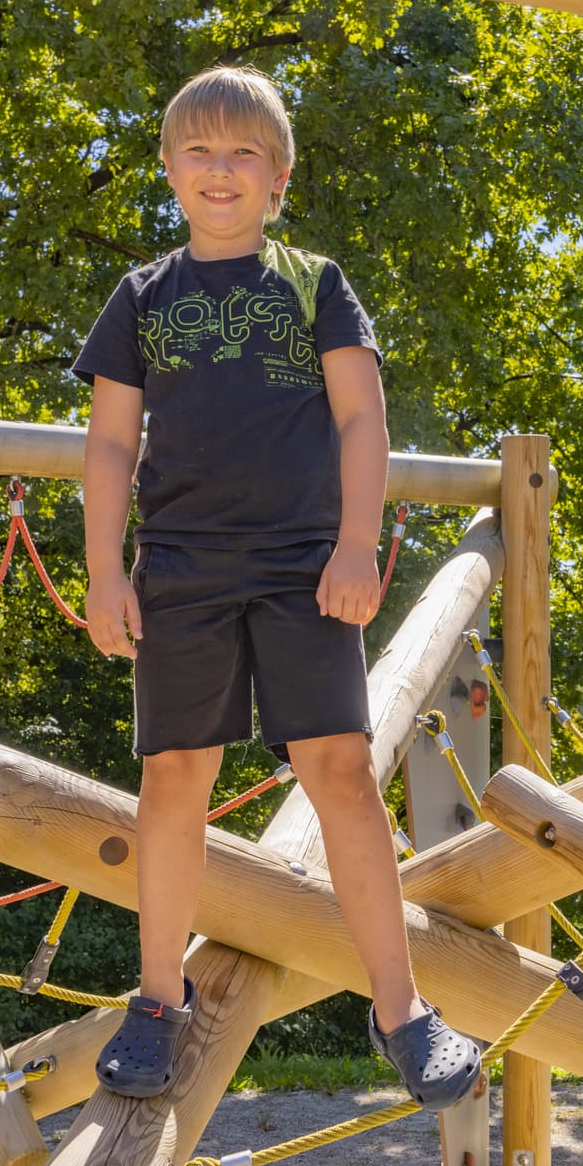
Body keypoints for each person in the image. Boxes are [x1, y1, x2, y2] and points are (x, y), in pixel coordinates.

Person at [73, 65, 482, 1108]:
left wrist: (356, 545)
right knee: (175, 775)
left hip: (305, 566)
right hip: (180, 568)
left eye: (242, 153)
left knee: (339, 770)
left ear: (277, 177)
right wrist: (103, 571)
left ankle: (400, 1009)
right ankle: (156, 1000)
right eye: (199, 152)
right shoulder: (142, 296)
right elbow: (112, 445)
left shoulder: (312, 283)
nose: (221, 171)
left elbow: (360, 420)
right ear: (170, 171)